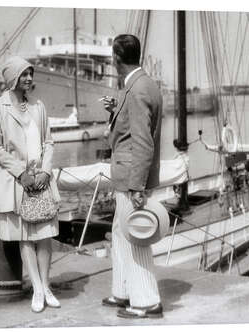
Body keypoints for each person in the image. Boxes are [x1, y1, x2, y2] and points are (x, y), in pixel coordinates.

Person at [0, 56, 60, 313]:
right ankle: (37, 289)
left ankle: (47, 286)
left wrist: (46, 173)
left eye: (31, 73)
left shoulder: (38, 106)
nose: (29, 78)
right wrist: (21, 174)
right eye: (24, 74)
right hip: (16, 181)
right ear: (12, 78)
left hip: (40, 179)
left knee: (45, 235)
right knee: (26, 236)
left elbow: (48, 143)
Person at [101, 34, 164, 319]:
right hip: (127, 177)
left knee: (134, 237)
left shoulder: (136, 90)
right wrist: (115, 112)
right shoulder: (144, 85)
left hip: (130, 179)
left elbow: (142, 142)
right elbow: (135, 129)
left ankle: (146, 301)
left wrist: (137, 187)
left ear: (116, 58)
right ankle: (123, 291)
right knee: (120, 234)